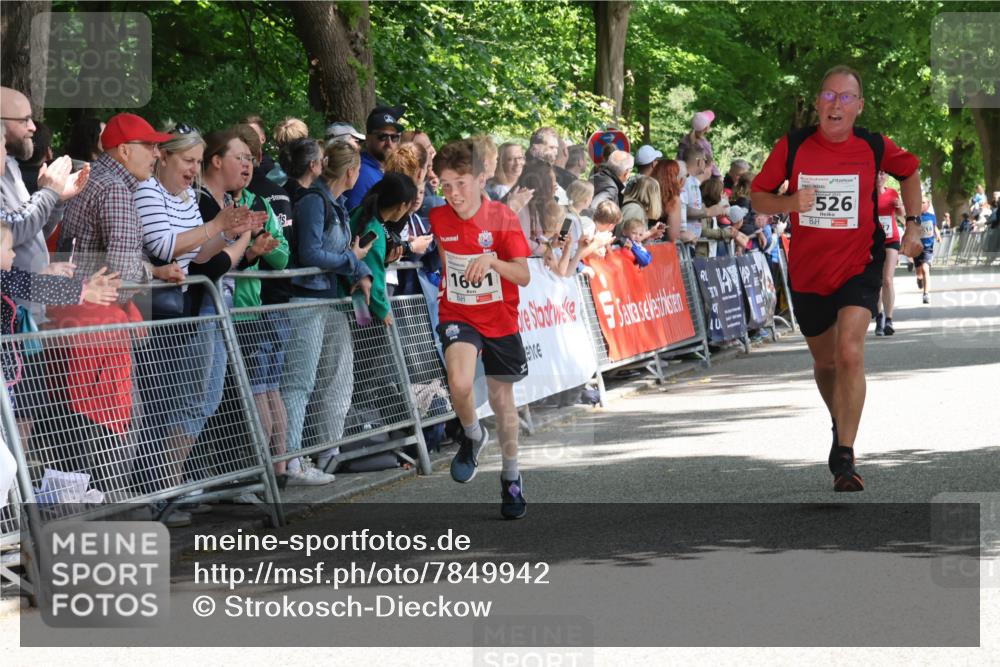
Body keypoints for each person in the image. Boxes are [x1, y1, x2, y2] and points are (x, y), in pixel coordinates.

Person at [751, 65, 922, 493]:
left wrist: (914, 224)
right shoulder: (792, 146)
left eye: (846, 97)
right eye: (829, 95)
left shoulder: (874, 145)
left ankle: (845, 455)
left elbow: (910, 171)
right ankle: (838, 419)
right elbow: (758, 196)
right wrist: (790, 202)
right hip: (809, 270)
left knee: (849, 352)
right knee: (826, 363)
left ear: (859, 106)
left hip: (859, 264)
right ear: (817, 102)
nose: (836, 104)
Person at [430, 139, 531, 519]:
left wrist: (491, 262)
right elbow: (447, 264)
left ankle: (511, 476)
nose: (453, 193)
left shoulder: (502, 218)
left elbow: (523, 275)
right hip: (458, 313)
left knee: (502, 399)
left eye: (461, 183)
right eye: (446, 185)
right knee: (458, 383)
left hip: (500, 317)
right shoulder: (439, 218)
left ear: (479, 179)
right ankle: (473, 435)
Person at [281, 139, 373, 480]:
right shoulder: (313, 202)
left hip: (323, 299)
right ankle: (292, 461)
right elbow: (311, 253)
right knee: (298, 383)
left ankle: (303, 455)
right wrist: (353, 262)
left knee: (314, 381)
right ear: (351, 172)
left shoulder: (336, 204)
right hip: (304, 300)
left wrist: (355, 268)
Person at [345, 105, 405, 211]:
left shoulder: (382, 170)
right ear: (368, 139)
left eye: (394, 137)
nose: (389, 143)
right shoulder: (361, 173)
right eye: (383, 137)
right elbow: (352, 218)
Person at [874, 171, 904, 335]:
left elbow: (901, 214)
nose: (879, 177)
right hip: (873, 242)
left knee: (887, 280)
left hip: (891, 238)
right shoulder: (867, 193)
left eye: (882, 174)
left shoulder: (892, 193)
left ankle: (889, 320)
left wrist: (899, 206)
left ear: (887, 177)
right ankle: (879, 316)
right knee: (877, 281)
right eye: (877, 174)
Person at [677, 110, 720, 178]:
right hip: (699, 177)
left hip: (683, 175)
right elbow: (710, 163)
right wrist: (717, 175)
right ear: (706, 128)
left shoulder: (684, 141)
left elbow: (679, 160)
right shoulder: (704, 145)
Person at [650, 159, 684, 243]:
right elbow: (673, 236)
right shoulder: (673, 200)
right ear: (674, 178)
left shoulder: (647, 193)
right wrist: (685, 236)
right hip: (660, 246)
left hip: (642, 244)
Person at [915, 197, 940, 304]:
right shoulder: (915, 217)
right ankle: (919, 279)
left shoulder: (931, 216)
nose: (921, 204)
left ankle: (926, 294)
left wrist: (938, 235)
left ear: (928, 205)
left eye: (923, 202)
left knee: (925, 269)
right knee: (919, 271)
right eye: (919, 202)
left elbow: (935, 227)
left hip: (928, 247)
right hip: (917, 247)